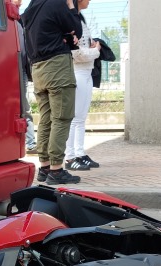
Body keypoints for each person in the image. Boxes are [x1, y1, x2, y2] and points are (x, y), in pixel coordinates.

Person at [22, 0, 82, 185]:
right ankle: (56, 170)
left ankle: (45, 167)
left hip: (38, 68)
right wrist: (71, 6)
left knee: (46, 119)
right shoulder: (56, 3)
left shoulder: (31, 9)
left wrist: (64, 36)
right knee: (61, 118)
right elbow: (75, 28)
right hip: (56, 66)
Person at [62, 0, 101, 172]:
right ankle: (70, 157)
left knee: (81, 117)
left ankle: (79, 153)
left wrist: (92, 47)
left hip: (85, 72)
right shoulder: (72, 20)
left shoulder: (80, 19)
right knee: (75, 117)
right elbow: (75, 53)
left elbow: (82, 47)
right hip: (78, 72)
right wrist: (96, 51)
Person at [11, 0, 37, 153]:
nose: (20, 2)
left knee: (24, 107)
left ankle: (30, 143)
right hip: (8, 69)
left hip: (21, 70)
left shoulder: (21, 20)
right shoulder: (6, 21)